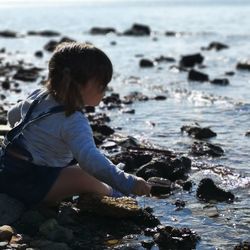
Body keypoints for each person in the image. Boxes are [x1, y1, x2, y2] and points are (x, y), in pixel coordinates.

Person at [0, 42, 151, 208]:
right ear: (80, 86)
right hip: (30, 185)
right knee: (84, 174)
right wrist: (130, 182)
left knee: (82, 166)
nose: (106, 90)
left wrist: (36, 140)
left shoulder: (40, 96)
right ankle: (116, 194)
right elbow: (90, 160)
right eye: (102, 85)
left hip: (7, 169)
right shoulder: (73, 121)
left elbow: (13, 115)